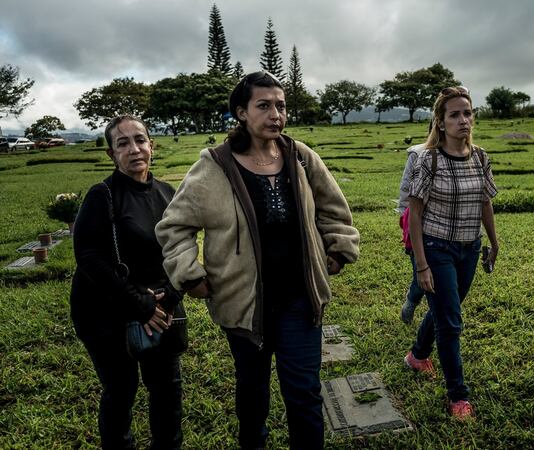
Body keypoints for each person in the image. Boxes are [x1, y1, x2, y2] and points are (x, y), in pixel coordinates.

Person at [155, 71, 359, 450]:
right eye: (263, 106)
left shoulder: (299, 156)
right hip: (244, 303)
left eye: (280, 106)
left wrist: (337, 250)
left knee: (305, 394)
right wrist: (189, 274)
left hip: (300, 298)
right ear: (241, 113)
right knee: (252, 394)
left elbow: (334, 208)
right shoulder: (214, 166)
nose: (275, 114)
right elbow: (174, 226)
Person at [71, 115, 185, 449]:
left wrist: (171, 293)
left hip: (158, 308)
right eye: (123, 143)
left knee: (167, 387)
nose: (134, 149)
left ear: (152, 146)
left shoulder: (167, 193)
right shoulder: (102, 196)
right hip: (105, 310)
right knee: (121, 389)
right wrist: (140, 305)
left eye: (140, 140)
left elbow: (181, 250)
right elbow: (90, 258)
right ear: (111, 154)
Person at [404, 86, 499, 419]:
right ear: (441, 123)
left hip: (469, 248)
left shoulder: (481, 157)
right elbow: (414, 213)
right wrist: (421, 264)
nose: (464, 120)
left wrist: (494, 241)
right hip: (436, 246)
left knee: (448, 308)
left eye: (468, 113)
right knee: (451, 324)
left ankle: (417, 355)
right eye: (455, 115)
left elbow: (485, 201)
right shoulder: (428, 159)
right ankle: (458, 395)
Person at [398, 139, 427, 324]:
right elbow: (405, 191)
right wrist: (406, 222)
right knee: (421, 278)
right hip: (418, 226)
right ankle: (411, 300)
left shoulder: (468, 154)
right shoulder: (417, 155)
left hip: (448, 232)